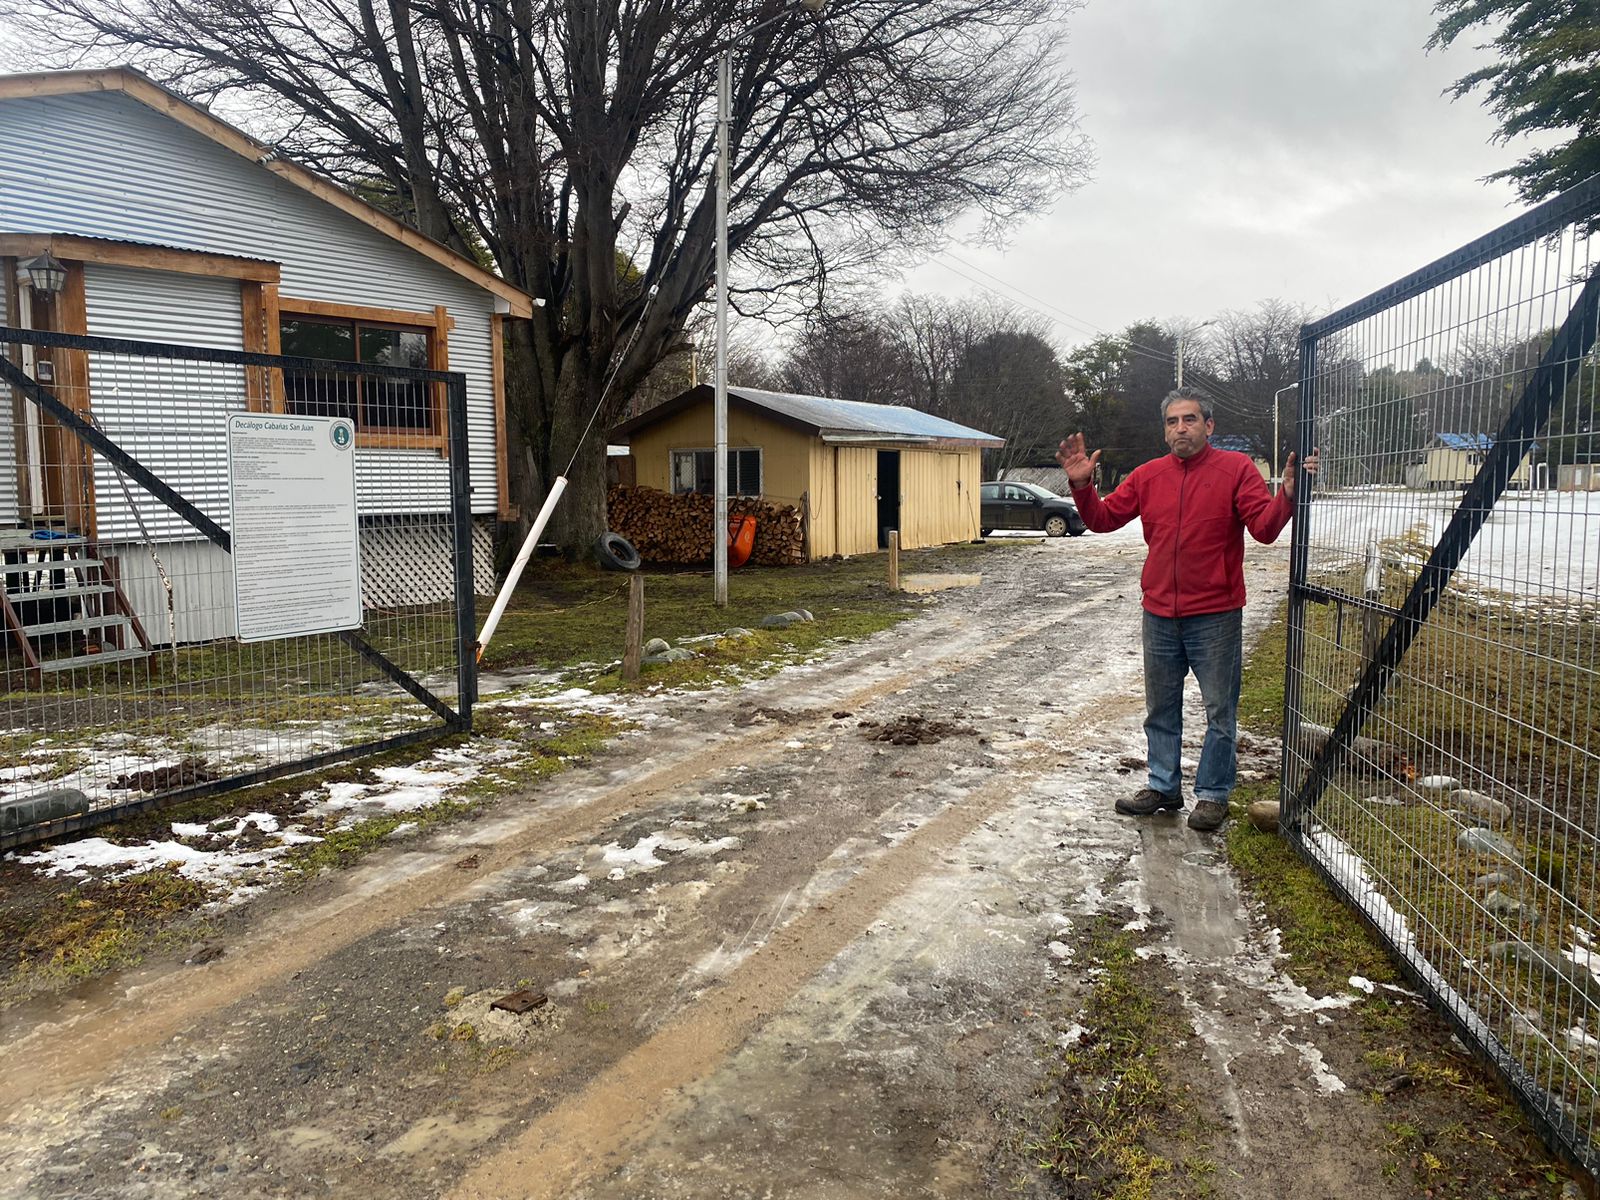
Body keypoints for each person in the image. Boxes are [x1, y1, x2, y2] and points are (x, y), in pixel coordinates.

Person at [1055, 386, 1317, 832]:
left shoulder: (1235, 469)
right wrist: (1081, 485)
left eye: (1190, 419)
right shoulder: (1148, 475)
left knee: (1220, 711)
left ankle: (1213, 795)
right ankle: (1164, 786)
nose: (1181, 428)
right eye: (1173, 421)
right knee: (1161, 708)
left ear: (1209, 425)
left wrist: (1287, 495)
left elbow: (1265, 529)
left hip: (1215, 614)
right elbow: (1102, 520)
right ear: (1165, 430)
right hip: (1159, 613)